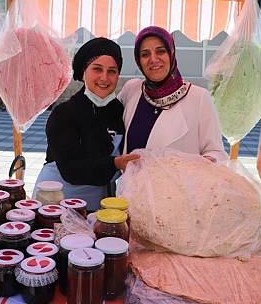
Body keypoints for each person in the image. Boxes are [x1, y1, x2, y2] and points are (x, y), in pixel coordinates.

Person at [34, 37, 139, 211]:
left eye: (112, 71)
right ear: (83, 72)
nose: (104, 78)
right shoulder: (64, 113)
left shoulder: (119, 111)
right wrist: (115, 163)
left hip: (100, 199)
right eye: (97, 69)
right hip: (59, 198)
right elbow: (70, 169)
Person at [118, 26, 227, 162]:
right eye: (145, 54)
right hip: (131, 182)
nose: (153, 59)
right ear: (138, 60)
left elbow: (216, 151)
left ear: (171, 53)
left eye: (161, 51)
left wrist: (206, 164)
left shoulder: (198, 98)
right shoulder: (131, 89)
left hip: (180, 183)